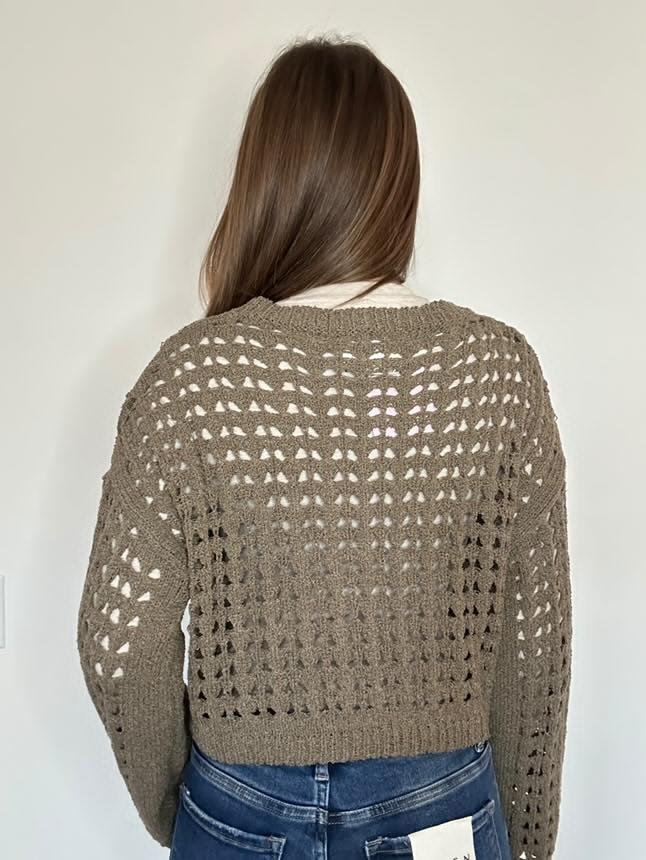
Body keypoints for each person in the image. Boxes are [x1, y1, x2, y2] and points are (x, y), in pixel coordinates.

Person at [76, 34, 572, 860]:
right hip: (441, 801)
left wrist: (189, 804)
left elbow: (117, 643)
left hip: (238, 796)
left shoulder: (190, 377)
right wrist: (528, 832)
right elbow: (536, 645)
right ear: (397, 183)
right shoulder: (498, 371)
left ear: (265, 179)